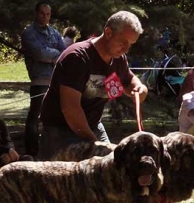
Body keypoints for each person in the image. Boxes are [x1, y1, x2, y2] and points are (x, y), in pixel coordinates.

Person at [39, 10, 148, 160]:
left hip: (93, 126)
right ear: (108, 32)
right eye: (123, 42)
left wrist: (140, 88)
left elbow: (128, 80)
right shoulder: (77, 57)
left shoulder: (118, 59)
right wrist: (95, 143)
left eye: (131, 44)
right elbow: (70, 109)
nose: (126, 49)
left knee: (111, 168)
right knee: (61, 180)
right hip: (60, 130)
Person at [21, 2, 66, 157]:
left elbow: (64, 52)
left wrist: (51, 55)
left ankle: (52, 149)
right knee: (35, 116)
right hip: (39, 80)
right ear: (36, 13)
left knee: (54, 117)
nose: (45, 17)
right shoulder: (29, 33)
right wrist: (55, 55)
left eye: (48, 14)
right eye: (42, 13)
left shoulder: (54, 32)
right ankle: (31, 152)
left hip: (55, 79)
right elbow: (40, 53)